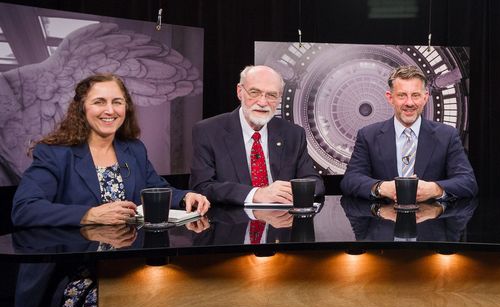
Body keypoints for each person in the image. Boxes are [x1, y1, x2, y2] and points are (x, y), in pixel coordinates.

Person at [11, 73, 209, 227]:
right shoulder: (54, 153)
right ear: (81, 108)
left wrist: (185, 197)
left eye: (117, 102)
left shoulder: (134, 149)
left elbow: (155, 189)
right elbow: (25, 209)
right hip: (76, 265)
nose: (110, 110)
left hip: (129, 260)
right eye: (99, 102)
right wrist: (89, 214)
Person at [190, 65, 324, 205]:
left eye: (271, 95)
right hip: (232, 221)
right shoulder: (208, 131)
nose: (262, 102)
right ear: (240, 91)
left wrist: (293, 191)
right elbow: (202, 187)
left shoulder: (293, 134)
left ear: (279, 98)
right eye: (255, 92)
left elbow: (316, 183)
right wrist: (256, 194)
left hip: (282, 222)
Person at [340, 65, 477, 201]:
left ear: (425, 97)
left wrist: (435, 189)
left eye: (416, 95)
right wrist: (380, 188)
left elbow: (468, 183)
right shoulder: (368, 135)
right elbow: (350, 181)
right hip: (383, 220)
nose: (409, 103)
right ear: (390, 97)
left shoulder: (447, 135)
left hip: (431, 221)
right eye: (402, 95)